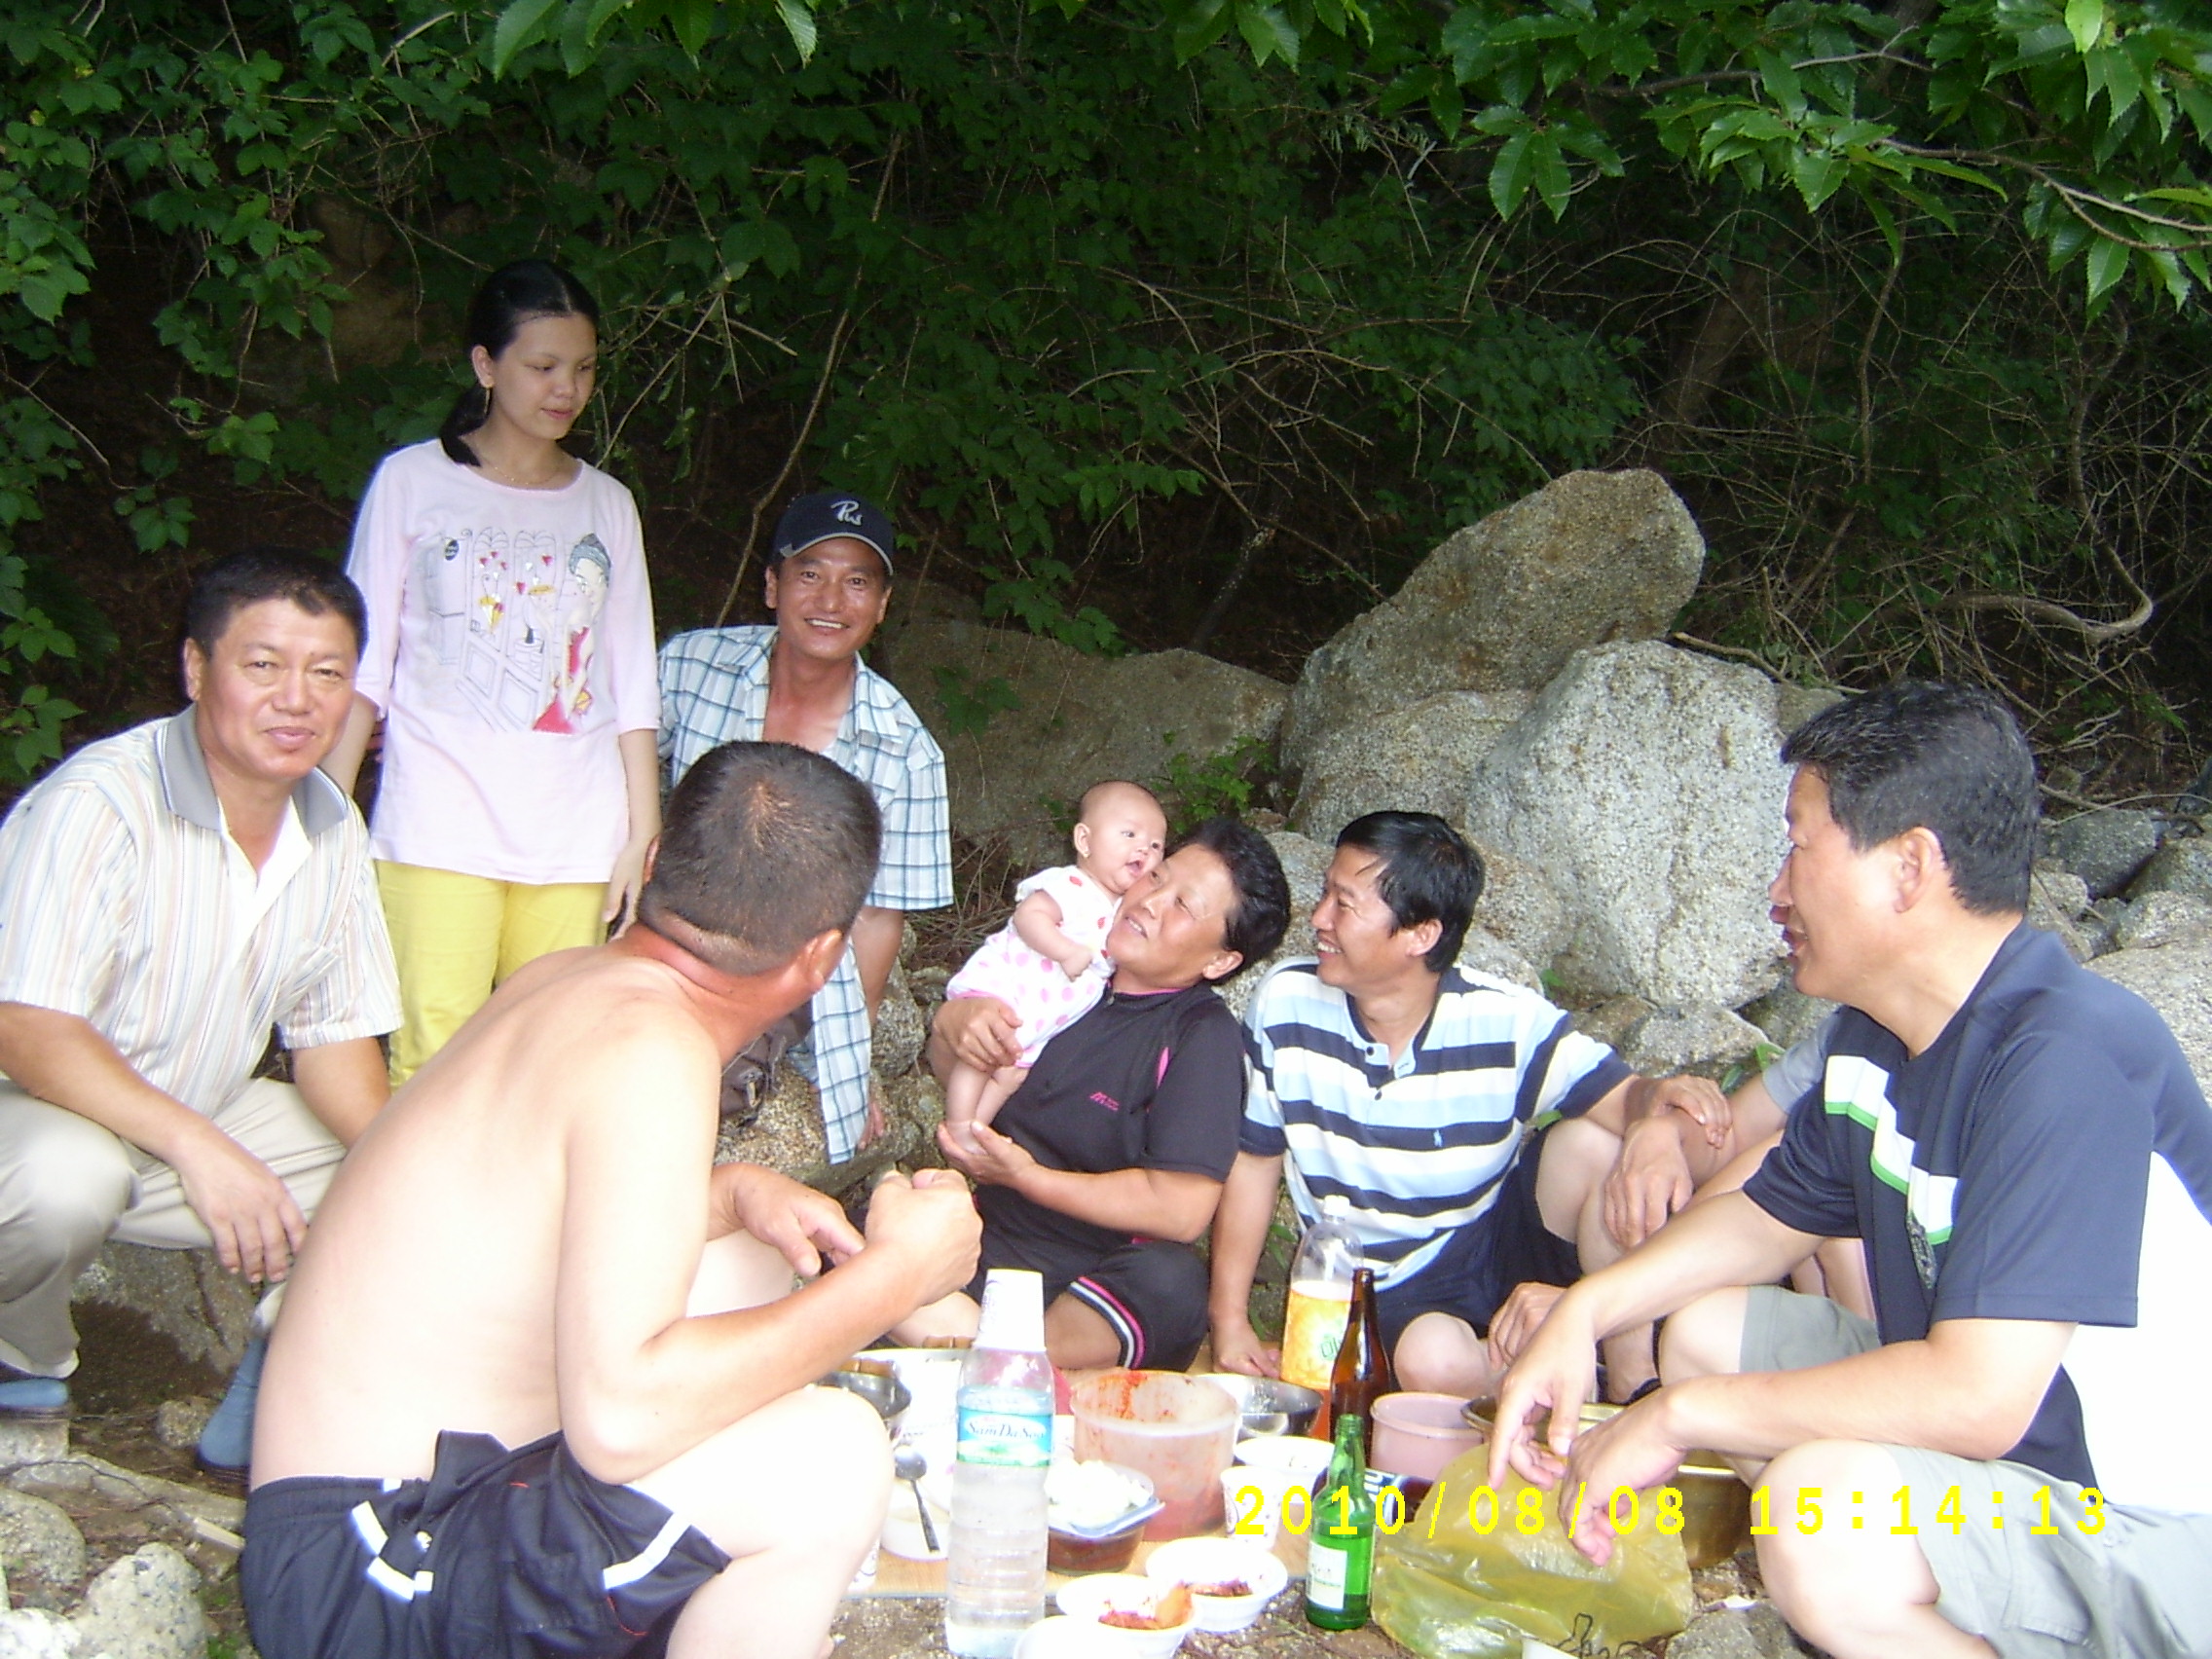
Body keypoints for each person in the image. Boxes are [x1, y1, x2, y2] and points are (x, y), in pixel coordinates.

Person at [1490, 683, 2212, 1659]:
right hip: (2023, 1459)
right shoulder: (1875, 1038)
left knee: (1817, 1511)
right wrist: (1586, 1311)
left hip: (2146, 1523)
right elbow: (1763, 1217)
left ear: (1909, 866)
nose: (1777, 889)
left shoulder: (2065, 1056)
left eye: (1799, 845)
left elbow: (1976, 1397)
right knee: (1707, 1335)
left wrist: (1672, 1417)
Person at [242, 741, 982, 1659]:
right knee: (832, 1457)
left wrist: (730, 1194)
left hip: (338, 1534)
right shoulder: (652, 1049)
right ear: (822, 956)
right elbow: (622, 1421)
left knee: (749, 1259)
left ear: (655, 859)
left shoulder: (568, 979)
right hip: (375, 1578)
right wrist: (900, 1275)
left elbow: (524, 1225)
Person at [0, 547, 399, 1485]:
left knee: (394, 1167)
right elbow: (27, 1026)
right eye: (263, 664)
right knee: (67, 1179)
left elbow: (335, 1039)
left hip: (192, 1104)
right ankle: (22, 1357)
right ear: (195, 667)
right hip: (31, 1106)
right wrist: (200, 1148)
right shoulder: (101, 802)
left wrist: (409, 1162)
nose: (296, 699)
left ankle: (283, 1360)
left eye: (327, 673)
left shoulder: (330, 826)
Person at [1208, 811, 1744, 1403]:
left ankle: (1630, 1383)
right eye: (1326, 894)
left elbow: (1628, 1097)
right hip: (1380, 1280)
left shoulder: (1504, 1020)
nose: (1319, 918)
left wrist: (1654, 1121)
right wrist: (1229, 1320)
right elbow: (1255, 1162)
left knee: (1597, 1144)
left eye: (1345, 903)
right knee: (1433, 1358)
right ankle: (1552, 1389)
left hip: (1487, 1240)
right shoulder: (1286, 1003)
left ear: (1420, 935)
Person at [323, 258, 661, 1086]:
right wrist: (328, 812)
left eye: (583, 369)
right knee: (429, 1058)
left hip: (575, 831)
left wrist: (640, 834)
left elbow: (631, 683)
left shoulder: (607, 503)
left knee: (545, 1060)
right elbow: (364, 664)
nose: (566, 389)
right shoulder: (412, 481)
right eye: (542, 366)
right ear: (485, 364)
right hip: (437, 820)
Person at [909, 818, 1291, 1371]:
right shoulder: (1065, 970)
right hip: (987, 1243)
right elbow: (963, 1074)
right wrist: (955, 1025)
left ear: (1220, 961)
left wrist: (1028, 1178)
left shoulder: (1199, 1036)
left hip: (1092, 1276)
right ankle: (987, 1354)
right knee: (892, 1207)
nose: (1150, 902)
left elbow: (1180, 1211)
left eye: (1183, 906)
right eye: (1156, 876)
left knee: (1170, 1281)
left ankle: (999, 1357)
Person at [658, 491, 950, 1163]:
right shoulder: (690, 665)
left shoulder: (905, 749)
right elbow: (623, 772)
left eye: (857, 583)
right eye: (810, 574)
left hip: (784, 964)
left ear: (882, 604)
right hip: (670, 924)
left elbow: (877, 917)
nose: (830, 601)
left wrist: (851, 1059)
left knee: (695, 1083)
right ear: (772, 585)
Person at [940, 780, 1168, 1152]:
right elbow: (1029, 917)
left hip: (1046, 1014)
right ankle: (959, 1124)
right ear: (1084, 841)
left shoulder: (1123, 910)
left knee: (1010, 1074)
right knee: (983, 1054)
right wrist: (1064, 951)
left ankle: (976, 1132)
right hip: (1014, 984)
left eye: (1156, 845)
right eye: (1129, 834)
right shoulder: (1072, 884)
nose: (1144, 847)